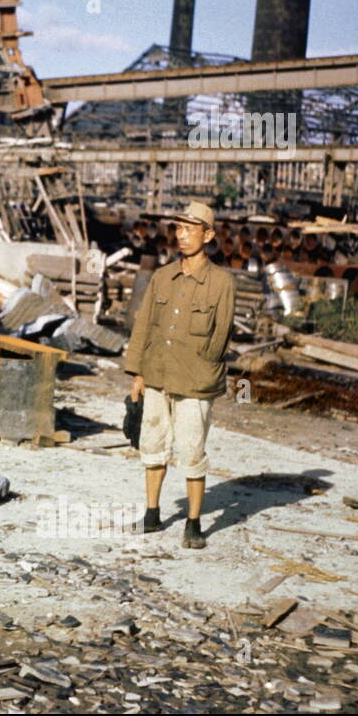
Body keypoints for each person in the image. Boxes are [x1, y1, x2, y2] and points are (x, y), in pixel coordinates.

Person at [123, 201, 236, 549]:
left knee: (192, 451)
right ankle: (152, 515)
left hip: (195, 382)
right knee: (152, 446)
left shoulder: (221, 282)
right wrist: (137, 372)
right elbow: (143, 326)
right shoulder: (162, 277)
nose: (183, 236)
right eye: (179, 229)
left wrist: (202, 368)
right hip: (156, 375)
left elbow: (221, 336)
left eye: (191, 229)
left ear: (209, 235)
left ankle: (193, 523)